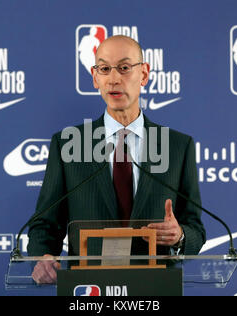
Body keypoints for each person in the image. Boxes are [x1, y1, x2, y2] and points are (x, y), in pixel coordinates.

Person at [28, 35, 205, 284]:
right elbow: (44, 225)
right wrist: (43, 256)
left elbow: (195, 229)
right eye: (104, 69)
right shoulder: (67, 143)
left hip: (153, 289)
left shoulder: (177, 146)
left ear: (143, 74)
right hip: (89, 289)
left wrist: (179, 236)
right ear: (95, 78)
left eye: (124, 68)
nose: (113, 78)